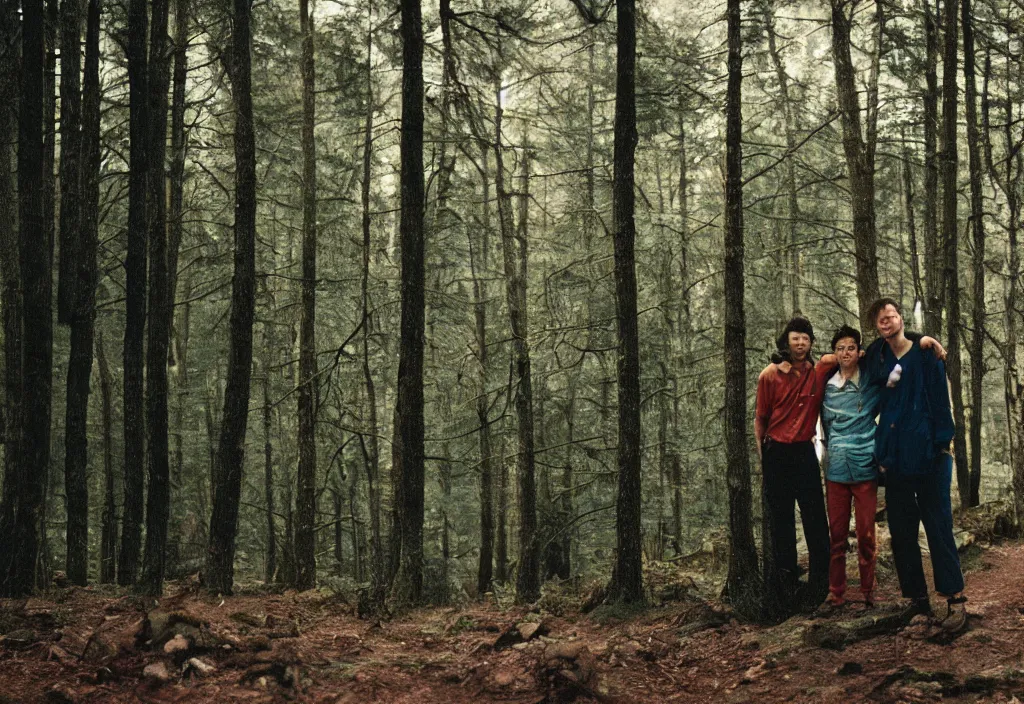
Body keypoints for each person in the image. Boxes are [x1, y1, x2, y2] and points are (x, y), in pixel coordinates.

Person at [865, 297, 968, 631]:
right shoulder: (875, 358)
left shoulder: (925, 354)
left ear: (900, 319)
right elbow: (842, 359)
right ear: (875, 325)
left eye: (892, 316)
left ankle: (955, 600)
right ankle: (918, 603)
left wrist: (943, 445)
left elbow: (940, 399)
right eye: (881, 318)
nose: (887, 321)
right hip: (893, 459)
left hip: (931, 454)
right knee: (902, 532)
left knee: (938, 527)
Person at [755, 317, 835, 609]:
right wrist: (764, 458)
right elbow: (760, 419)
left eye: (805, 338)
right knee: (782, 522)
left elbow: (851, 353)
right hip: (776, 453)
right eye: (795, 338)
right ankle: (787, 590)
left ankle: (820, 585)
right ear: (786, 341)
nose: (800, 343)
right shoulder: (769, 375)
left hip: (804, 452)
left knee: (815, 519)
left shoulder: (820, 371)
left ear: (812, 342)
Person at [818, 325, 881, 611]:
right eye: (840, 348)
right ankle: (837, 592)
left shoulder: (871, 381)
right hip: (836, 470)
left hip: (866, 467)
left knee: (867, 534)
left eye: (851, 347)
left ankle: (868, 591)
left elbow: (889, 358)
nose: (846, 353)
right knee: (837, 535)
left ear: (859, 351)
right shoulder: (826, 386)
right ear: (835, 352)